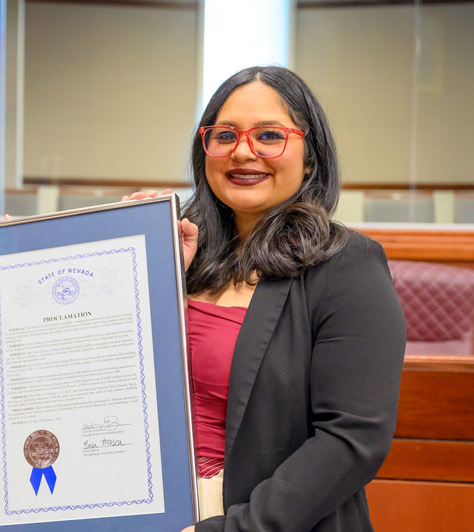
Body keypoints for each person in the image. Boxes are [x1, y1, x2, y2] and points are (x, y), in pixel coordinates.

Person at [133, 66, 405, 531]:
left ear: (310, 158)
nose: (243, 151)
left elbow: (352, 438)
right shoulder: (174, 250)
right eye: (224, 135)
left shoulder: (347, 266)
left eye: (269, 135)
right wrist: (133, 272)